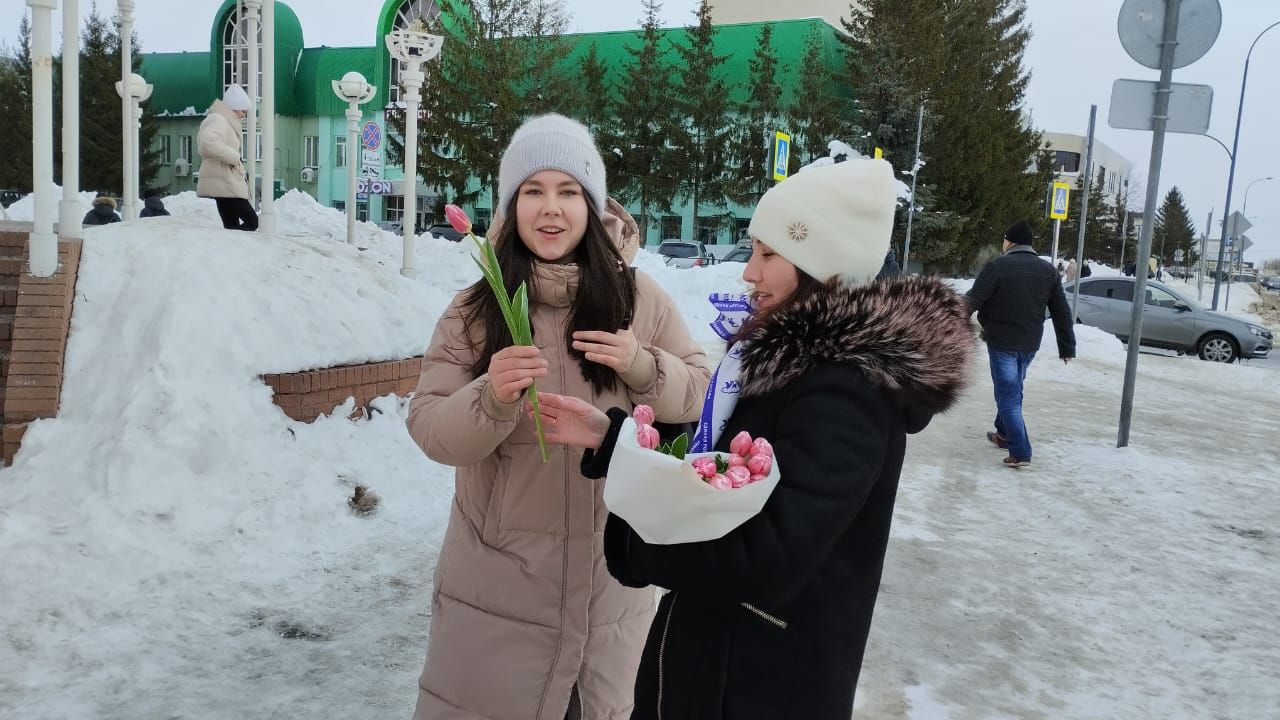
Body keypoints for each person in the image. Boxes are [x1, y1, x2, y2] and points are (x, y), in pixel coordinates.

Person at [529, 159, 974, 718]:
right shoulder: (794, 365)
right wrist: (614, 439)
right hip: (717, 663)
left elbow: (770, 554)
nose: (749, 273)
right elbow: (726, 466)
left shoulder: (846, 391)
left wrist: (645, 548)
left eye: (768, 255)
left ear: (822, 266)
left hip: (755, 683)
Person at [404, 114, 712, 720]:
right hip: (498, 596)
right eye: (533, 191)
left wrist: (643, 365)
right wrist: (490, 398)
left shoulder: (639, 299)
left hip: (610, 589)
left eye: (569, 192)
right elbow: (430, 426)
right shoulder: (475, 310)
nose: (551, 209)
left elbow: (701, 393)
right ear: (511, 205)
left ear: (593, 207)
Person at [966, 219, 1075, 468]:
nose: (1002, 244)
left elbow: (972, 301)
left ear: (1010, 241)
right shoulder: (1047, 271)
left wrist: (947, 329)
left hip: (1002, 342)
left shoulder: (997, 267)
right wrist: (1067, 346)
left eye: (1004, 239)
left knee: (1008, 396)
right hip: (1029, 344)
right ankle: (1003, 434)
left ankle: (1021, 450)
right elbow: (1061, 311)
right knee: (1013, 388)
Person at [197, 84, 258, 231]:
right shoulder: (218, 120)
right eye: (242, 110)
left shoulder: (224, 121)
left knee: (231, 227)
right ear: (234, 107)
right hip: (225, 184)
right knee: (252, 221)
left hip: (224, 183)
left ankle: (232, 253)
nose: (244, 114)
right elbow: (207, 143)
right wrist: (234, 157)